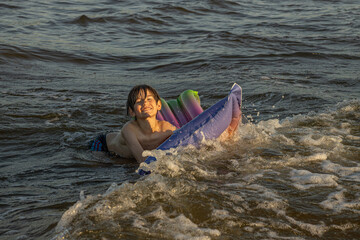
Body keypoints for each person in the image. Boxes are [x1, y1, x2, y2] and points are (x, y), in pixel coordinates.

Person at [89, 85, 176, 163]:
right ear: (132, 111)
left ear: (159, 105)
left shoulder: (167, 129)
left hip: (124, 142)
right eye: (139, 101)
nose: (145, 103)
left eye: (149, 99)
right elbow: (142, 161)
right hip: (103, 145)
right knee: (101, 165)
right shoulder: (129, 130)